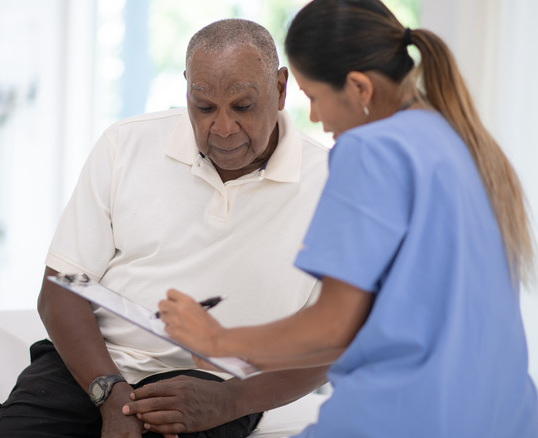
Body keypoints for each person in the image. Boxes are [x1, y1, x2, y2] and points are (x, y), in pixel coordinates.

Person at [157, 1, 538, 437]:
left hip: (407, 419)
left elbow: (335, 327)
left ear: (359, 87)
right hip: (507, 418)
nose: (315, 118)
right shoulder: (458, 140)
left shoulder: (370, 149)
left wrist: (217, 340)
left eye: (315, 98)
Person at [0, 18, 331, 438]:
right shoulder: (125, 145)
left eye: (243, 107)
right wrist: (110, 394)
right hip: (92, 369)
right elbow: (59, 291)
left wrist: (231, 401)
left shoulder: (331, 184)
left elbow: (328, 343)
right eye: (204, 107)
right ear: (186, 90)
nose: (223, 127)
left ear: (281, 88)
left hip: (216, 386)